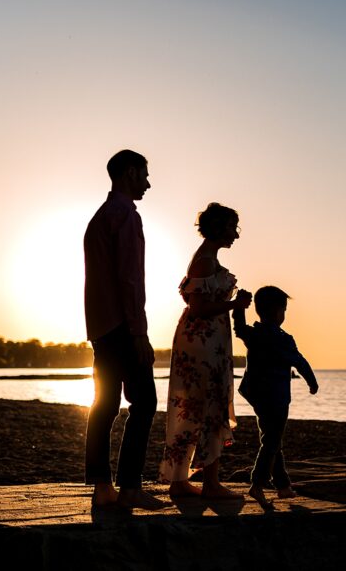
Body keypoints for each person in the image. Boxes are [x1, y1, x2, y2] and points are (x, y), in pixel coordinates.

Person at [83, 149, 165, 510]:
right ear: (130, 173)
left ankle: (103, 487)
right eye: (144, 175)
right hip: (122, 326)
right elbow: (130, 280)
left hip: (100, 325)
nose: (148, 183)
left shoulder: (100, 217)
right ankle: (130, 487)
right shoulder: (125, 216)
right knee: (144, 402)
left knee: (105, 405)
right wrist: (139, 333)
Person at [159, 203, 252, 499]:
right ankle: (209, 484)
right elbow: (198, 309)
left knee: (199, 407)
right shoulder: (205, 262)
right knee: (207, 407)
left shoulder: (207, 259)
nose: (235, 235)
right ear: (218, 228)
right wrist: (234, 305)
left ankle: (182, 480)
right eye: (231, 228)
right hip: (202, 344)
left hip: (208, 342)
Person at [233, 285, 318, 506]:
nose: (284, 315)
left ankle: (283, 486)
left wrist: (240, 307)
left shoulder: (254, 333)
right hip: (276, 398)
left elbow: (239, 328)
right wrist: (312, 382)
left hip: (256, 395)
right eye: (284, 310)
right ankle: (257, 484)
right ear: (277, 311)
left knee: (272, 438)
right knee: (271, 441)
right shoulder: (283, 339)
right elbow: (300, 362)